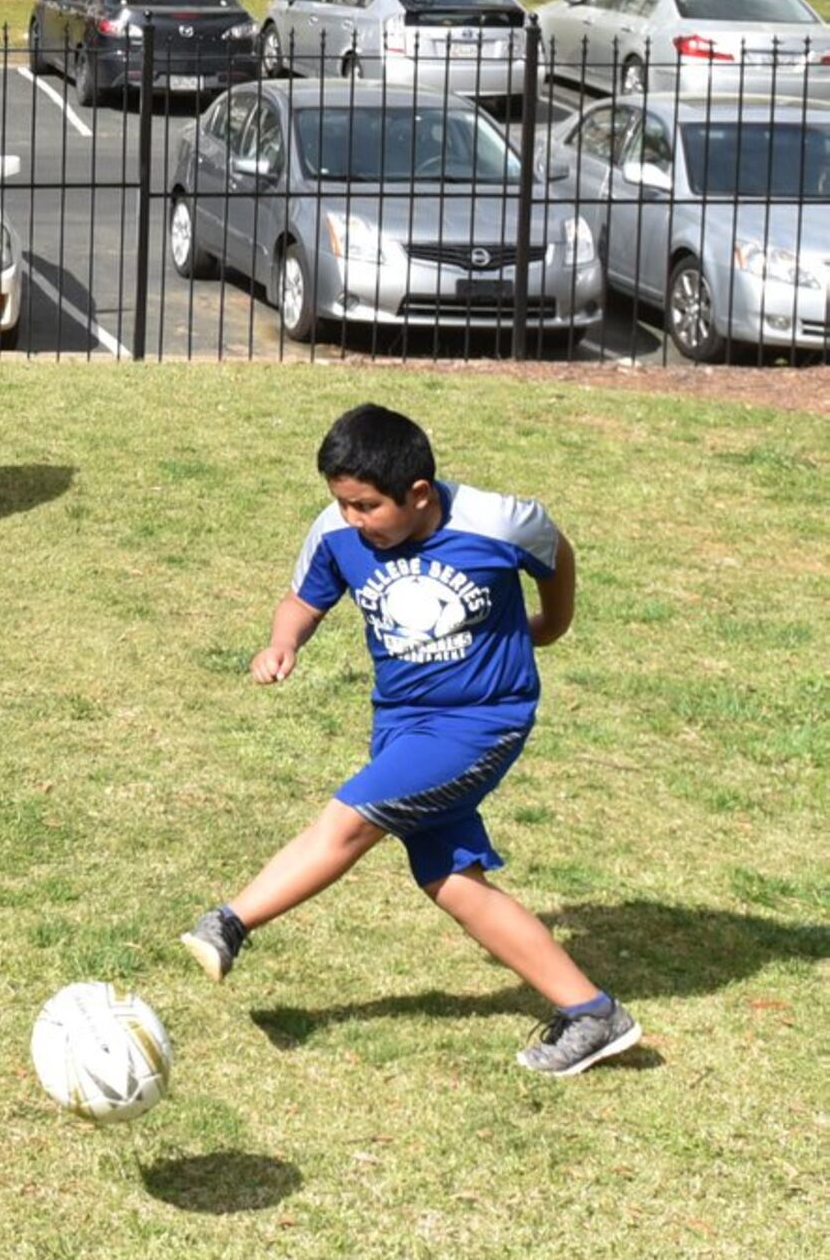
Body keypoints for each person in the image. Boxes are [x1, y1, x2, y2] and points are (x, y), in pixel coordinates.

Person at [179, 405, 639, 1077]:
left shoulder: (497, 522)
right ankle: (593, 1013)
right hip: (400, 725)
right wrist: (283, 643)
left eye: (366, 506)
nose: (353, 519)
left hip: (481, 721)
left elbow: (555, 555)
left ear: (419, 493)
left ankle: (230, 922)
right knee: (449, 879)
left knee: (351, 820)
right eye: (342, 504)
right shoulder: (337, 533)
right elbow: (301, 601)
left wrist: (551, 624)